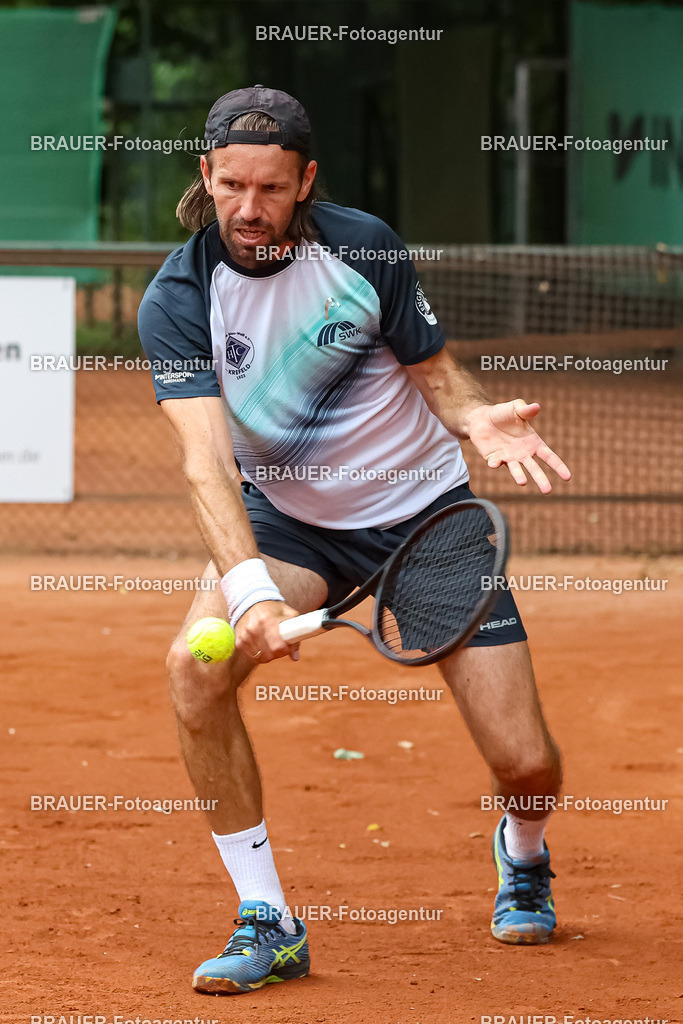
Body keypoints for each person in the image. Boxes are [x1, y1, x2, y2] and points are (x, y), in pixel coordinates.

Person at [138, 84, 571, 995]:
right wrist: (250, 592)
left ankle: (523, 851)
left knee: (525, 763)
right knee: (193, 668)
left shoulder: (363, 247)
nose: (248, 209)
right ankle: (267, 918)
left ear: (305, 182)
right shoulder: (179, 298)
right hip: (290, 525)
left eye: (270, 188)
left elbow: (435, 372)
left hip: (426, 519)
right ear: (205, 176)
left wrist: (474, 418)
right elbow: (205, 463)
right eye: (231, 186)